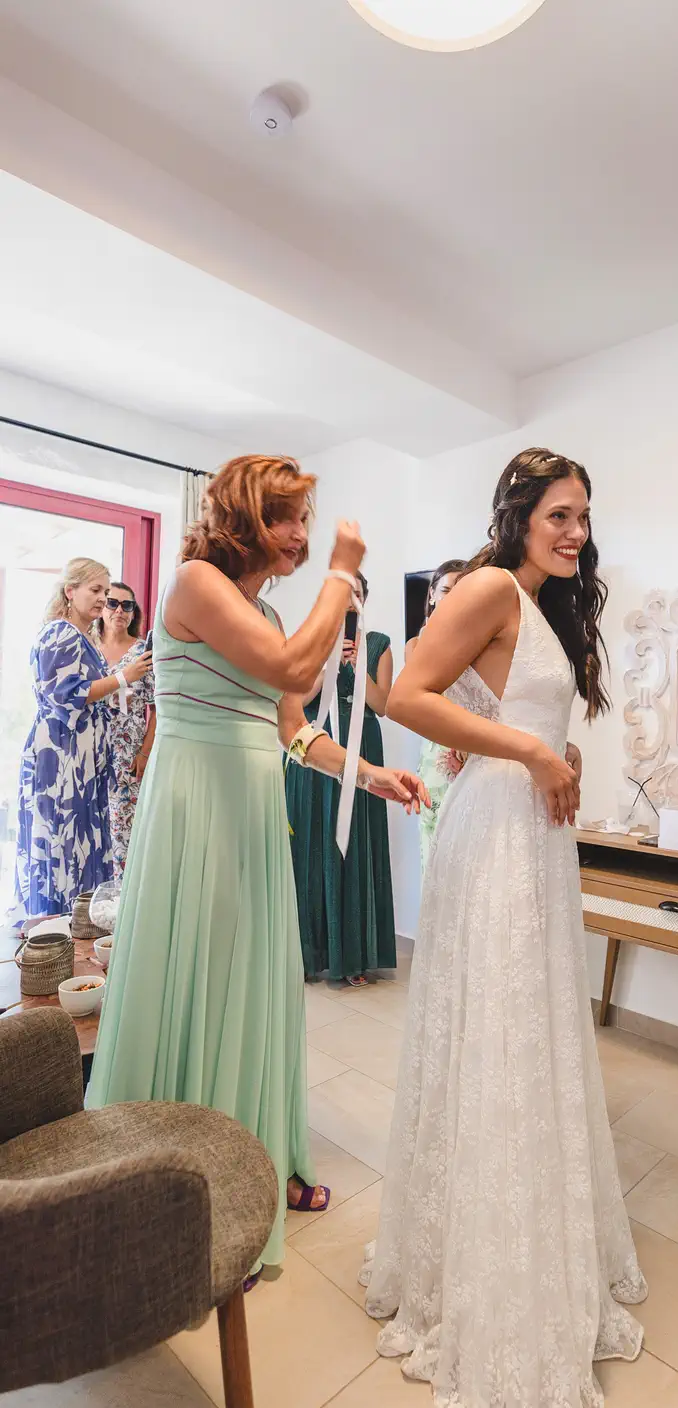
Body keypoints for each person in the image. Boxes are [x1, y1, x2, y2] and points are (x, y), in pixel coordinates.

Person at [361, 447, 646, 1408]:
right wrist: (529, 749)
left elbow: (501, 709)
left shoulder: (543, 603)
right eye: (559, 514)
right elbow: (405, 695)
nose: (576, 532)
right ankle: (479, 1270)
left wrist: (550, 750)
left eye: (584, 517)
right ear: (519, 513)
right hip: (495, 836)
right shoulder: (486, 586)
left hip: (535, 835)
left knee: (531, 1035)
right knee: (501, 1034)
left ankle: (528, 1238)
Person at [87, 455, 428, 1283]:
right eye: (285, 517)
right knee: (198, 982)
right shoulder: (196, 582)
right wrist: (343, 573)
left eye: (306, 519)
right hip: (197, 810)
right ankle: (181, 1188)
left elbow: (291, 725)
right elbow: (295, 671)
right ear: (244, 515)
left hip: (252, 817)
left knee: (254, 988)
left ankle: (255, 1160)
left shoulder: (266, 612)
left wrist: (366, 774)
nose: (300, 535)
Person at [11, 557, 151, 926]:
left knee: (80, 844)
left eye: (106, 591)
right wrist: (123, 677)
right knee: (62, 843)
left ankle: (77, 930)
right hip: (62, 758)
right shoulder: (60, 633)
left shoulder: (80, 636)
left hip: (82, 759)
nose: (103, 599)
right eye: (96, 590)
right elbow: (67, 694)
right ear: (70, 591)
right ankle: (54, 931)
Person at [285, 573, 397, 985]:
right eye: (343, 597)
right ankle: (308, 952)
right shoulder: (307, 643)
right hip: (314, 746)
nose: (350, 604)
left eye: (358, 597)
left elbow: (383, 705)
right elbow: (294, 702)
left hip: (362, 746)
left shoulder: (379, 644)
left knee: (355, 843)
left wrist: (354, 665)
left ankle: (354, 956)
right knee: (312, 842)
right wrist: (326, 664)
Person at [403, 558, 469, 869]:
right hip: (436, 755)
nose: (452, 600)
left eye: (461, 593)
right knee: (433, 853)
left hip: (471, 751)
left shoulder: (476, 644)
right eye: (446, 591)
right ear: (431, 594)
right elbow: (420, 700)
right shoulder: (416, 644)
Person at [97, 581, 156, 880]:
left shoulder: (143, 652)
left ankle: (120, 901)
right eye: (112, 603)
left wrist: (145, 752)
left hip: (128, 755)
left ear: (134, 612)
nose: (119, 610)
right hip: (90, 749)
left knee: (124, 834)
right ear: (101, 608)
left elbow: (159, 707)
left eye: (127, 605)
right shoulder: (87, 647)